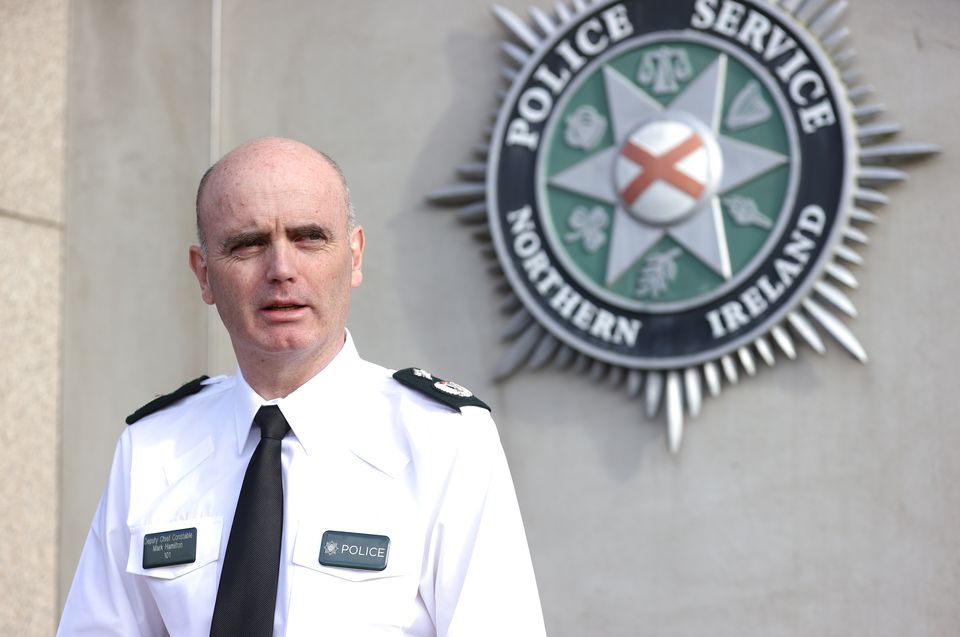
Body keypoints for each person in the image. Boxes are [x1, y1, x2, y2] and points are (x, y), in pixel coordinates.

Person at [58, 137, 546, 636]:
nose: (282, 270)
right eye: (247, 244)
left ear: (354, 256)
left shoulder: (443, 440)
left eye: (309, 237)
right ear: (204, 275)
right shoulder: (152, 449)